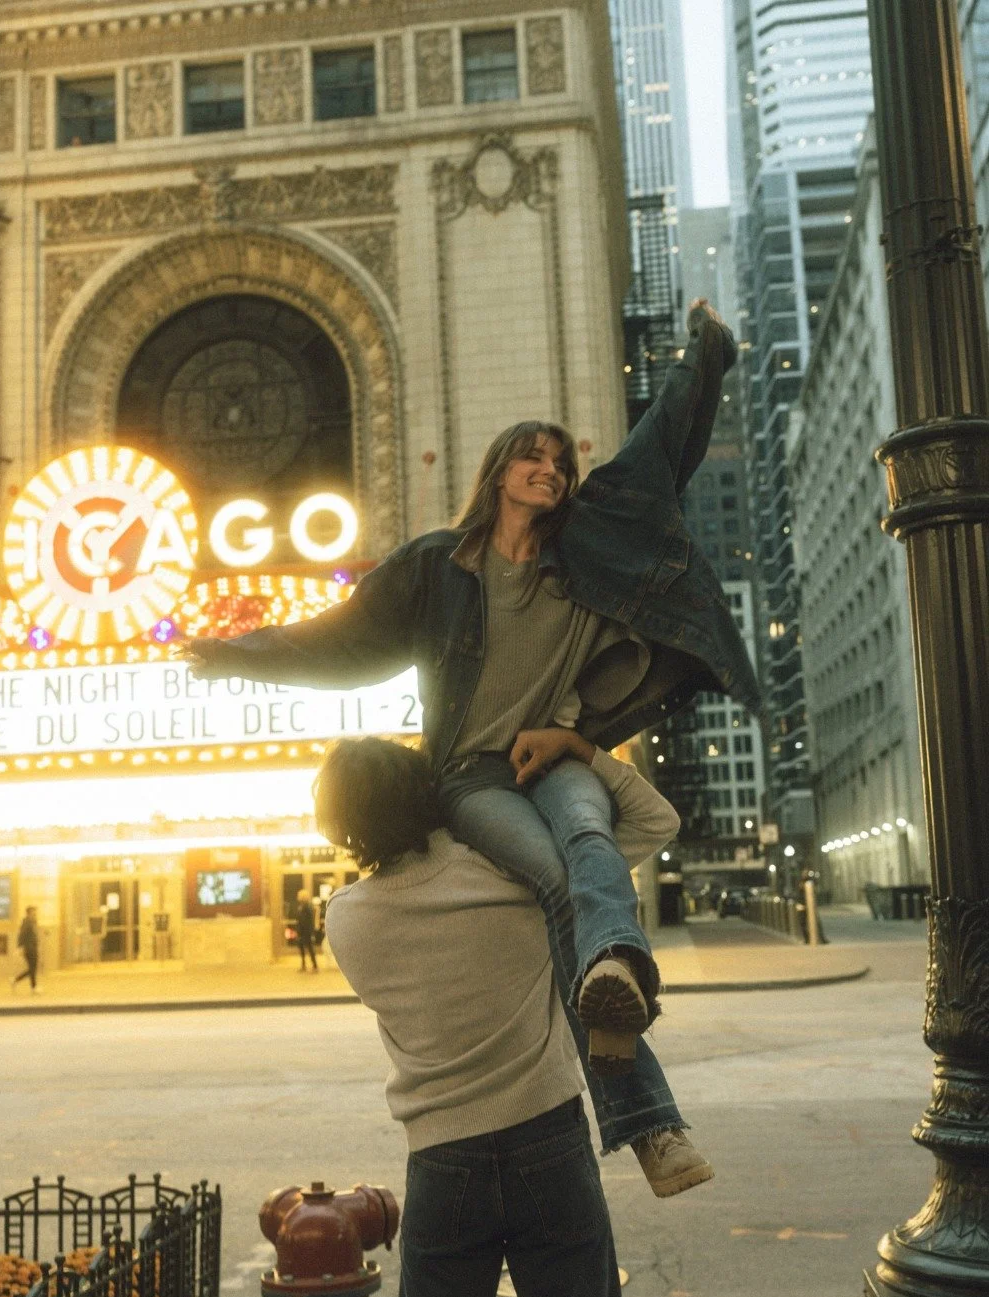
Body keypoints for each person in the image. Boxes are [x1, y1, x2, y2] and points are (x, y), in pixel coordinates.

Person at [184, 299, 758, 1191]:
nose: (550, 471)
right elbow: (341, 638)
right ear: (498, 472)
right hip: (473, 778)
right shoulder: (435, 569)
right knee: (565, 876)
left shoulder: (589, 549)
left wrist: (705, 355)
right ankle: (652, 1126)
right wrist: (237, 653)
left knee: (591, 839)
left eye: (561, 464)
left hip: (555, 752)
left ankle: (614, 982)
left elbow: (659, 451)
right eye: (533, 457)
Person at [316, 735, 675, 1297]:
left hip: (440, 1158)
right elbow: (655, 820)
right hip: (548, 1137)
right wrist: (582, 753)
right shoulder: (520, 877)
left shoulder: (345, 917)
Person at [11, 907, 39, 993]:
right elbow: (22, 935)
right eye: (34, 912)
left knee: (32, 968)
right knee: (32, 968)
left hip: (32, 947)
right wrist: (20, 947)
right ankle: (33, 987)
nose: (36, 913)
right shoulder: (27, 922)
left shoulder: (32, 922)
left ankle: (16, 980)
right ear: (30, 912)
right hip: (29, 948)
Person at [294, 889, 319, 972]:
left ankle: (315, 966)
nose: (298, 897)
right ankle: (304, 965)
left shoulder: (308, 907)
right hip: (301, 931)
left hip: (306, 932)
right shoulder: (301, 906)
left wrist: (311, 933)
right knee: (302, 948)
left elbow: (310, 921)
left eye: (299, 895)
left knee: (310, 949)